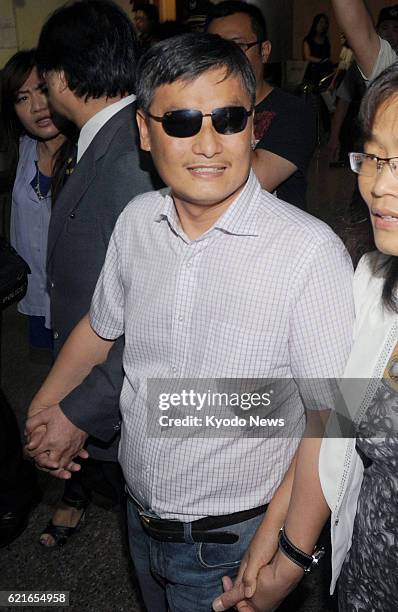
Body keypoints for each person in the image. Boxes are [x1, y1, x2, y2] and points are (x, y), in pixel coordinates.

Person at [25, 32, 354, 611]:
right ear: (146, 133)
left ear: (254, 127)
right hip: (139, 515)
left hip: (234, 543)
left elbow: (333, 417)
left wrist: (289, 562)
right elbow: (100, 329)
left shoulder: (307, 252)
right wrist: (46, 408)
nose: (207, 143)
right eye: (180, 121)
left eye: (228, 119)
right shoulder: (136, 222)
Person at [213, 64, 398, 612]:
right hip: (366, 581)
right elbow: (332, 423)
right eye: (377, 156)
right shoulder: (371, 282)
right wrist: (280, 548)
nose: (381, 185)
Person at [24, 0, 159, 548]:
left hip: (137, 400)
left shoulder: (132, 156)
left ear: (60, 76)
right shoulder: (105, 141)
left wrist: (81, 408)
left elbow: (149, 315)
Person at [206, 1, 315, 211]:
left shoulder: (294, 111)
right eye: (215, 48)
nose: (225, 58)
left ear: (264, 51)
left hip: (272, 237)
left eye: (238, 46)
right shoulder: (200, 107)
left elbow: (256, 181)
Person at [1, 49, 66, 351]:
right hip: (37, 289)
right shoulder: (22, 149)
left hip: (78, 297)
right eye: (22, 98)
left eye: (42, 90)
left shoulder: (89, 152)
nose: (37, 106)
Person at [330, 1, 398, 83]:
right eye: (385, 27)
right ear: (377, 30)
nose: (389, 34)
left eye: (395, 29)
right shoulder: (387, 62)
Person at [302, 13, 333, 87]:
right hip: (312, 73)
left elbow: (327, 55)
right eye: (321, 22)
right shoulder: (308, 40)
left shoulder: (326, 40)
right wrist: (321, 61)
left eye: (325, 23)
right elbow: (307, 57)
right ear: (316, 23)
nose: (323, 25)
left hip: (325, 72)